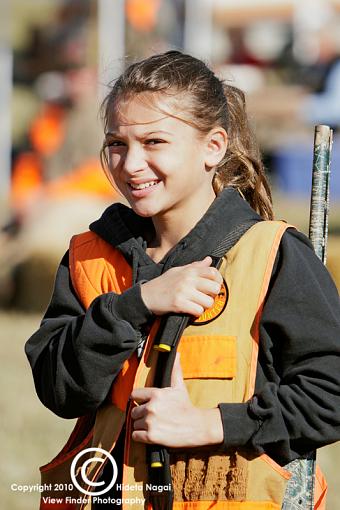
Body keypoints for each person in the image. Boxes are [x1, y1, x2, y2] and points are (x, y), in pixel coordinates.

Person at [25, 51, 340, 510]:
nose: (131, 164)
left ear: (213, 147)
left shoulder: (272, 255)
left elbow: (330, 391)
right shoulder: (88, 256)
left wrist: (212, 424)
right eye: (117, 143)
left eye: (154, 142)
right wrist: (134, 305)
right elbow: (59, 390)